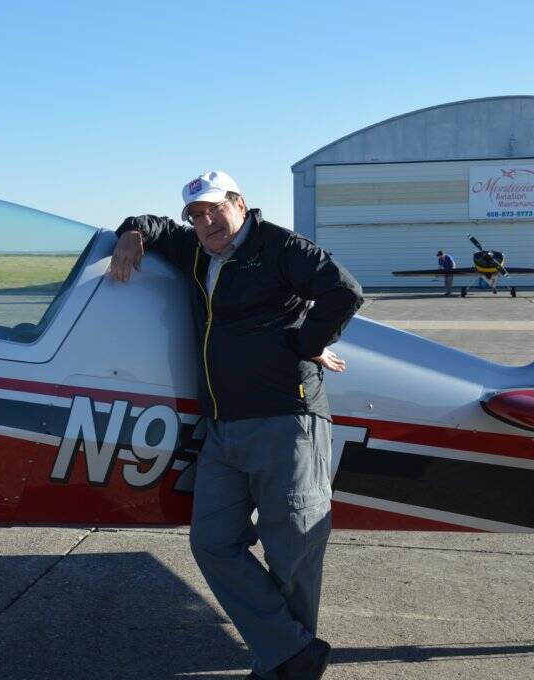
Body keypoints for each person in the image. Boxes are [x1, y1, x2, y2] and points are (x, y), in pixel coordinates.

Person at [110, 170, 363, 680]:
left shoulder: (279, 246)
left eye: (213, 209)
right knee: (212, 541)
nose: (205, 222)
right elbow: (157, 226)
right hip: (223, 427)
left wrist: (307, 342)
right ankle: (291, 653)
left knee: (291, 550)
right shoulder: (200, 250)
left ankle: (279, 665)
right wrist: (131, 231)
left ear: (239, 204)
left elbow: (343, 290)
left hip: (285, 420)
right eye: (196, 215)